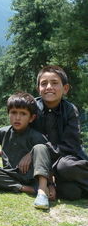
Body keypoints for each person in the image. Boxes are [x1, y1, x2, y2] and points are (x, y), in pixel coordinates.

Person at [0, 92, 53, 210]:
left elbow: (46, 157)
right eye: (13, 112)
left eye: (23, 114)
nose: (17, 117)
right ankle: (26, 189)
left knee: (41, 147)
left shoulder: (36, 136)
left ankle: (42, 191)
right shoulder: (3, 132)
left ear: (32, 118)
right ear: (8, 114)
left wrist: (51, 185)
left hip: (32, 177)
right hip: (11, 174)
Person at [31, 65, 88, 200]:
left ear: (65, 88)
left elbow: (71, 145)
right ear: (38, 89)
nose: (49, 87)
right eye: (44, 84)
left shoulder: (69, 110)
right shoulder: (33, 108)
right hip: (41, 162)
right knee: (70, 191)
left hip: (67, 159)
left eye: (55, 83)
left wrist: (42, 152)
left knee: (64, 166)